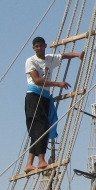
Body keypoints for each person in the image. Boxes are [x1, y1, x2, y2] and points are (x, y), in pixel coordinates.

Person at [24, 36, 84, 173]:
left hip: (44, 97)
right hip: (34, 96)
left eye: (41, 46)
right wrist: (58, 84)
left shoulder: (49, 58)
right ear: (34, 48)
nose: (39, 48)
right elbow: (37, 80)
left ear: (45, 46)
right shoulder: (31, 61)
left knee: (39, 129)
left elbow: (63, 56)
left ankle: (29, 163)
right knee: (41, 127)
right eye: (36, 46)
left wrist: (77, 55)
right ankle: (41, 160)